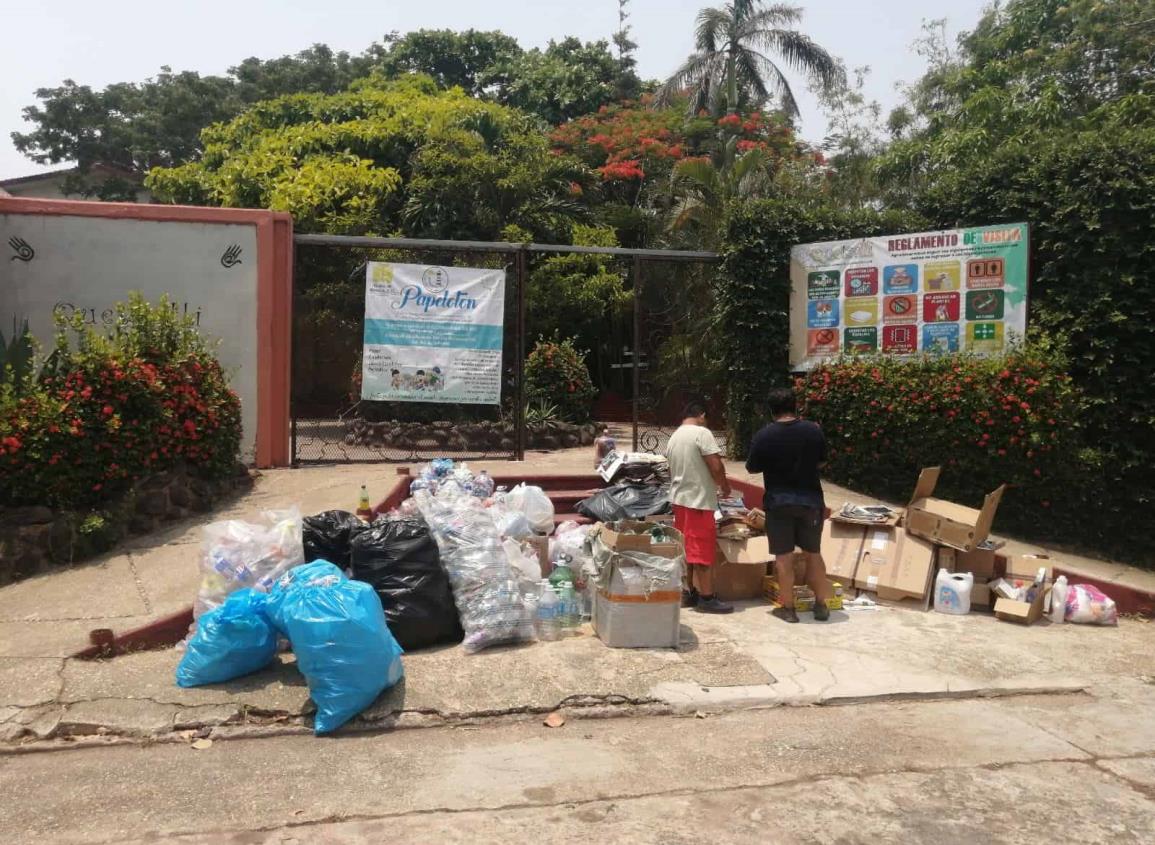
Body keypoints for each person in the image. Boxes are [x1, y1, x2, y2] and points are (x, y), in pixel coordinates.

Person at [745, 388, 830, 623]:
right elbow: (822, 461)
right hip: (811, 501)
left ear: (771, 410)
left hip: (779, 503)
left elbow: (752, 467)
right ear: (796, 406)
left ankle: (788, 609)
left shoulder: (764, 435)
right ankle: (821, 605)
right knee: (814, 554)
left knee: (783, 557)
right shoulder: (813, 431)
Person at [665, 401, 733, 614]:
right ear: (701, 415)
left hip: (680, 500)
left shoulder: (674, 436)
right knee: (702, 551)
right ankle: (707, 597)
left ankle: (689, 591)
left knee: (686, 549)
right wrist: (725, 485)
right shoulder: (701, 433)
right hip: (698, 501)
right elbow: (715, 464)